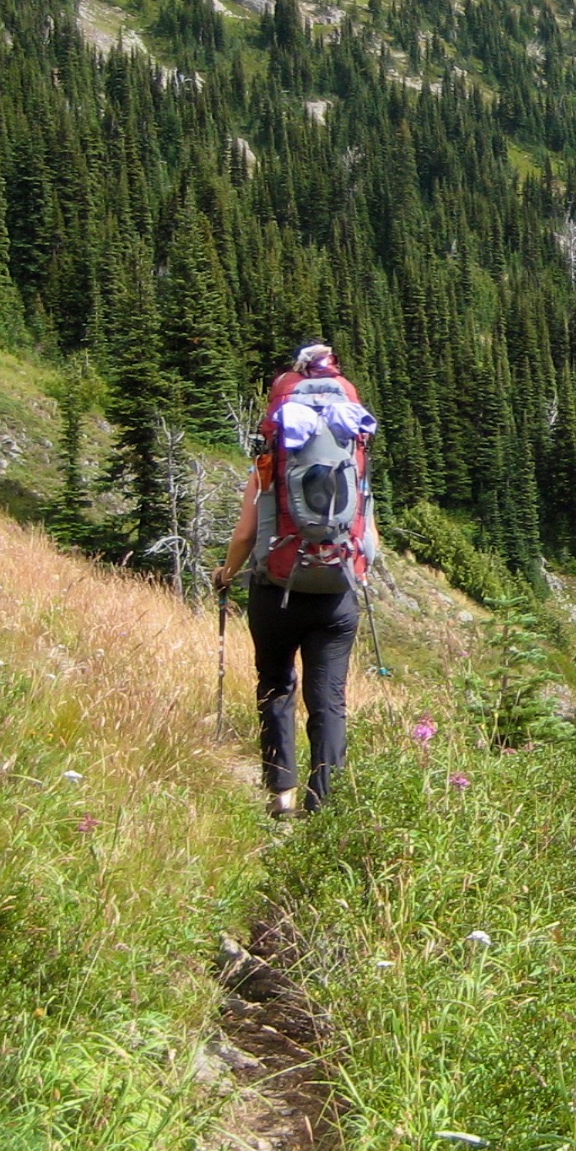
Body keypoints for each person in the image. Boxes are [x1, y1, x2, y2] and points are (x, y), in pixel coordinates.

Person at [216, 343, 376, 816]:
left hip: (275, 591)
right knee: (328, 700)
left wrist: (227, 572)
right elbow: (369, 541)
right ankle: (322, 804)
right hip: (336, 597)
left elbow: (246, 533)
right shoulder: (353, 462)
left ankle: (280, 795)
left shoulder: (271, 465)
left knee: (276, 686)